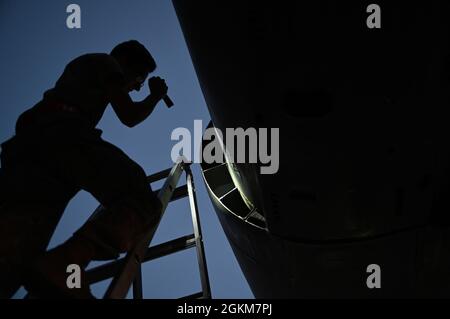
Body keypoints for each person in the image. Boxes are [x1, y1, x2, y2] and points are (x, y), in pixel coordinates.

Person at [0, 40, 169, 298]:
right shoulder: (106, 63)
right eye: (138, 78)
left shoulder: (86, 69)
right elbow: (129, 115)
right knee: (140, 196)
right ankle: (69, 260)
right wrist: (155, 96)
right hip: (62, 134)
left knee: (14, 249)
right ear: (125, 61)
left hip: (31, 150)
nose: (136, 87)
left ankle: (54, 270)